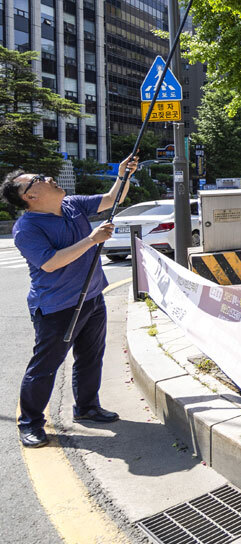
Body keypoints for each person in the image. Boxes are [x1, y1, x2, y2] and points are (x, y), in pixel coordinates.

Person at [1, 154, 139, 448]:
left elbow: (111, 199)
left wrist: (123, 175)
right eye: (39, 179)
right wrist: (91, 240)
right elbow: (50, 263)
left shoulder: (72, 204)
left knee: (91, 356)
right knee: (46, 366)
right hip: (57, 307)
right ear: (30, 197)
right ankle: (30, 423)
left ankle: (87, 407)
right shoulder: (27, 229)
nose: (49, 178)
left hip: (92, 296)